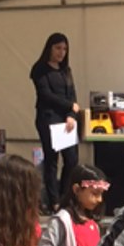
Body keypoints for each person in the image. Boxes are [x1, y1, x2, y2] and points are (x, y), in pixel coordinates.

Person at [30, 33, 80, 213]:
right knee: (52, 159)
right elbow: (45, 95)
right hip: (49, 117)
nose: (61, 52)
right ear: (49, 48)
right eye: (58, 48)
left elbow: (72, 95)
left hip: (66, 120)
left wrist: (71, 115)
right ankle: (54, 201)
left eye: (64, 49)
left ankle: (66, 195)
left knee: (72, 159)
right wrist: (69, 106)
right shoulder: (40, 69)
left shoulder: (65, 70)